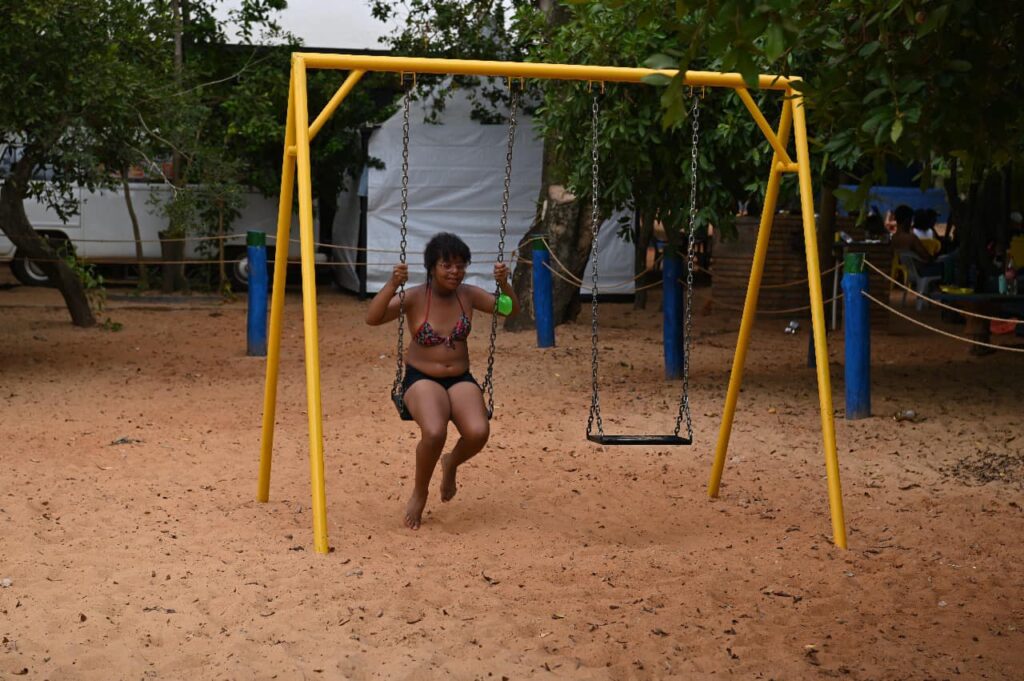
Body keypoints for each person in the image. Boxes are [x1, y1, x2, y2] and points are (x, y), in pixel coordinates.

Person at [365, 232, 520, 530]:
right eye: (447, 265)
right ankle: (419, 492)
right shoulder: (414, 297)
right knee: (434, 432)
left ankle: (451, 464)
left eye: (460, 266)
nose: (455, 272)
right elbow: (373, 318)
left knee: (478, 432)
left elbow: (509, 309)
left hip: (460, 377)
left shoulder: (469, 295)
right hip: (421, 378)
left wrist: (503, 284)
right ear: (432, 267)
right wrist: (391, 284)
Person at [890, 204, 942, 275]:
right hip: (919, 271)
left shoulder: (894, 238)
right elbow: (926, 256)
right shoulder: (911, 238)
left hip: (904, 271)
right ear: (907, 220)